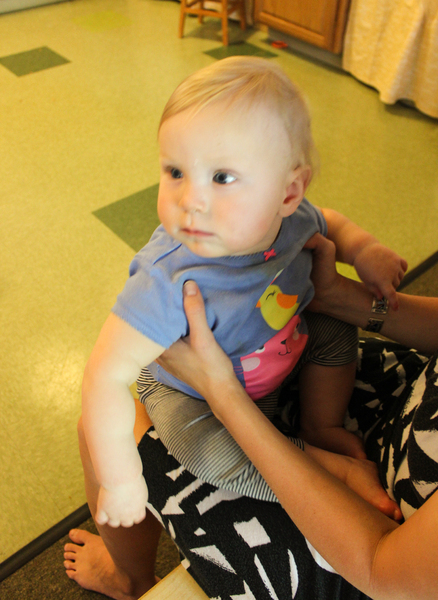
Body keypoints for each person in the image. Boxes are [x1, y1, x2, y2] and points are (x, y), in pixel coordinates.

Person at [80, 56, 408, 530]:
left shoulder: (292, 220)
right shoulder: (166, 279)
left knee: (336, 328)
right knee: (205, 454)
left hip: (280, 351)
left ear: (288, 193)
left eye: (222, 177)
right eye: (175, 171)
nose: (190, 200)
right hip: (191, 393)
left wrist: (364, 250)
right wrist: (120, 480)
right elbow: (103, 376)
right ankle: (326, 467)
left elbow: (329, 222)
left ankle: (323, 425)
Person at [64, 233, 438, 599]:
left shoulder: (272, 213)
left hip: (369, 562)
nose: (193, 207)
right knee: (332, 323)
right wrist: (353, 268)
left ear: (289, 196)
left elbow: (385, 573)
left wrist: (220, 391)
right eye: (177, 187)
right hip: (389, 393)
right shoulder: (250, 221)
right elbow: (327, 224)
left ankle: (129, 581)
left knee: (118, 433)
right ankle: (322, 426)